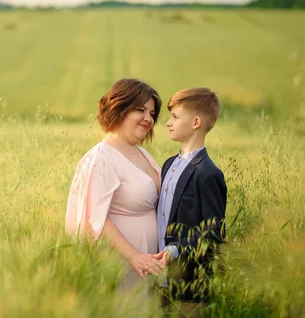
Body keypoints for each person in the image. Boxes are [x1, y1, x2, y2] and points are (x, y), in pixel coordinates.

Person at [65, 78, 166, 296]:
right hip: (122, 263)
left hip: (147, 262)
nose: (148, 119)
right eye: (141, 110)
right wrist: (134, 257)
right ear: (120, 108)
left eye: (152, 113)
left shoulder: (142, 153)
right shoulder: (102, 157)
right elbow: (95, 216)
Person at [157, 87, 228, 316]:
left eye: (175, 117)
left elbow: (214, 231)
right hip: (159, 275)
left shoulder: (208, 173)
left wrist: (177, 249)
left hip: (189, 280)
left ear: (196, 122)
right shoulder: (168, 164)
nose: (168, 123)